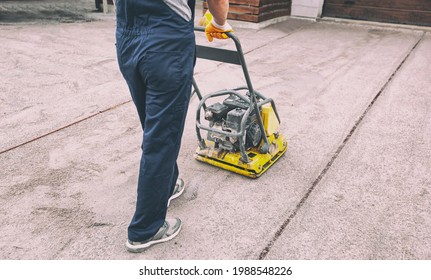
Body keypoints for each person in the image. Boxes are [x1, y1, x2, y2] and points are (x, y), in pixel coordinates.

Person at [115, 0, 233, 253]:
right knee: (161, 137)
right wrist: (219, 22)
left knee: (153, 125)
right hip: (165, 42)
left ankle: (167, 185)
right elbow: (219, 4)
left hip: (126, 37)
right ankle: (146, 229)